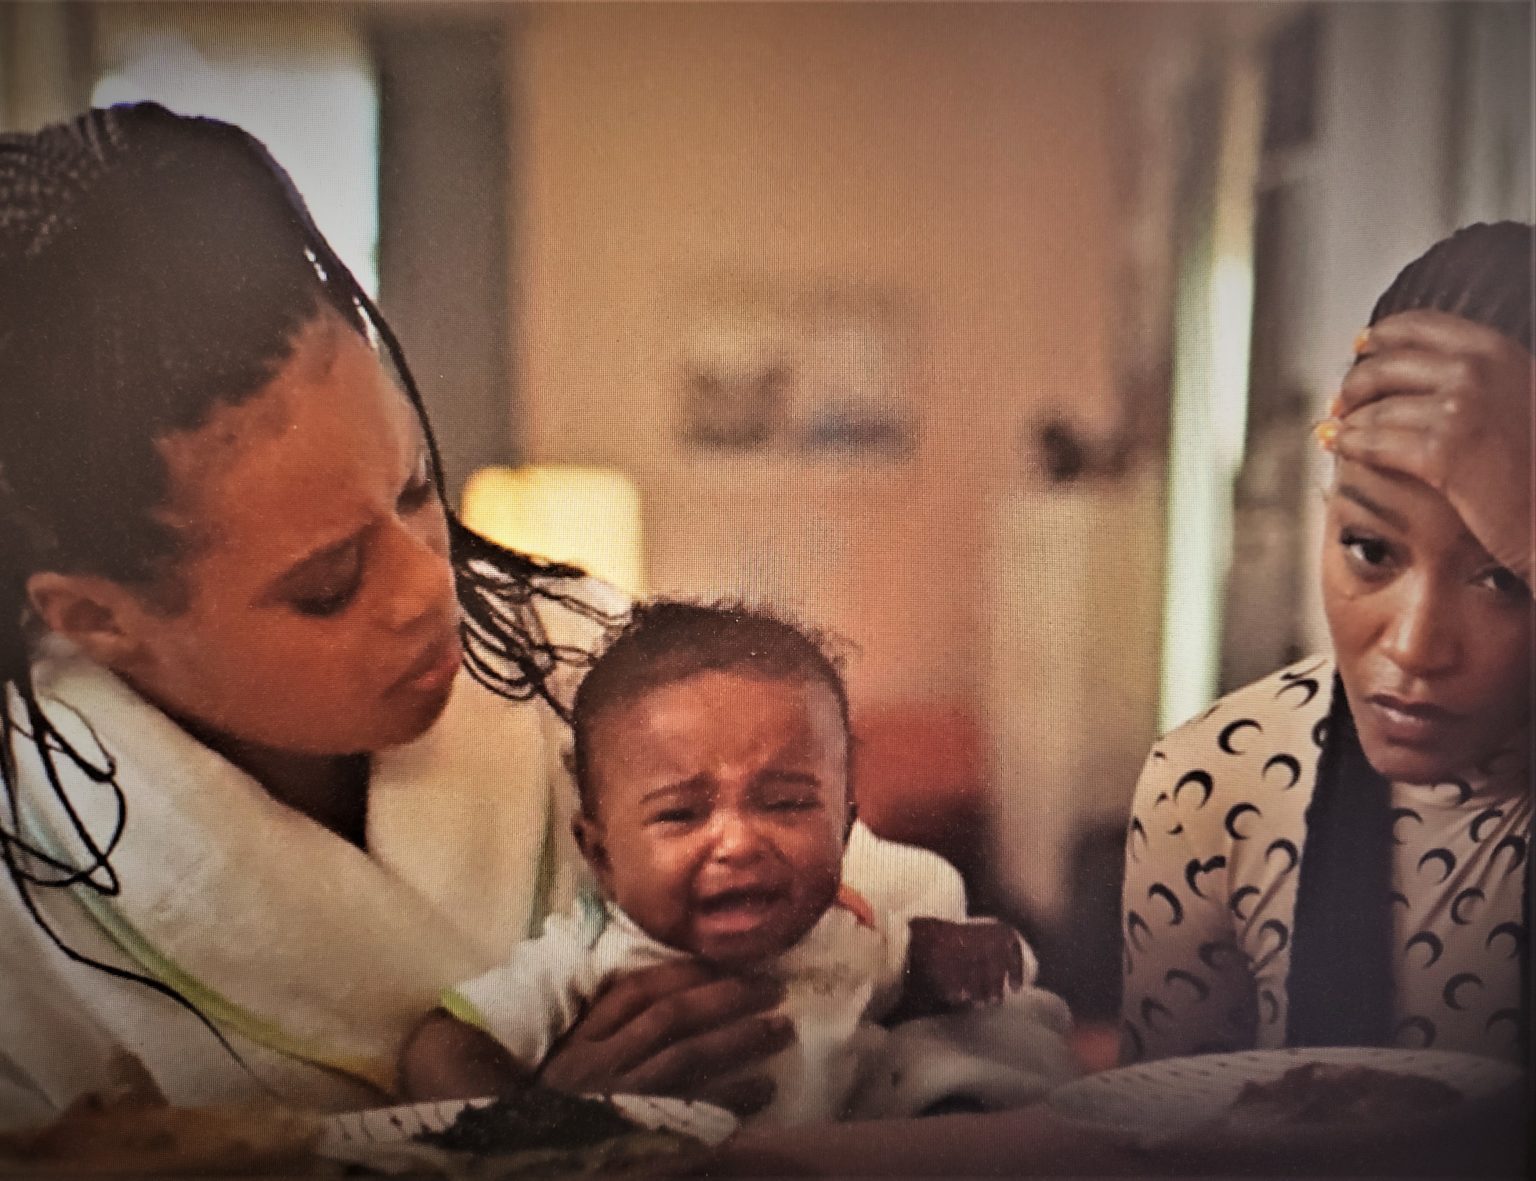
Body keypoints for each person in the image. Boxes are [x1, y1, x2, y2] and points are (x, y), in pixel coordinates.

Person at [0, 103, 964, 1127]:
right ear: (100, 618)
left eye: (418, 490)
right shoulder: (34, 884)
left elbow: (898, 930)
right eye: (329, 584)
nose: (429, 591)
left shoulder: (597, 668)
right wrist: (529, 1131)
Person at [398, 600, 1077, 1124]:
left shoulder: (842, 929)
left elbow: (922, 972)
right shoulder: (589, 950)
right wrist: (533, 1126)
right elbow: (436, 1052)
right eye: (681, 814)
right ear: (601, 855)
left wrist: (955, 952)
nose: (739, 842)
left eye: (784, 803)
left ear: (844, 828)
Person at [1120, 221, 1532, 1066]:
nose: (1414, 648)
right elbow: (1168, 1133)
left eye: (1504, 577)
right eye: (1370, 549)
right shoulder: (1214, 785)